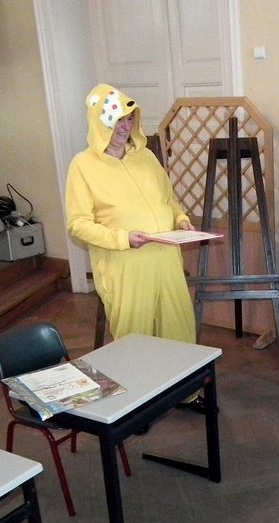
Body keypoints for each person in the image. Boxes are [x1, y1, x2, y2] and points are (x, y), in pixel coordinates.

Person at [66, 83, 196, 346]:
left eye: (129, 119)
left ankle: (185, 376)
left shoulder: (145, 157)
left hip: (167, 262)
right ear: (101, 123)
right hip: (126, 267)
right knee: (134, 341)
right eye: (118, 121)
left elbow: (168, 200)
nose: (126, 127)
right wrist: (123, 239)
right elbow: (77, 224)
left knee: (180, 331)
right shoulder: (83, 165)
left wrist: (181, 219)